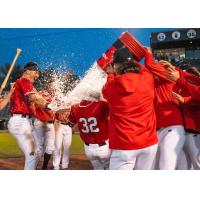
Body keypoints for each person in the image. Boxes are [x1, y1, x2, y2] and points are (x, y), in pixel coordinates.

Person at [102, 47, 169, 170]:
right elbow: (146, 67)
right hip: (149, 143)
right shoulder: (147, 78)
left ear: (116, 66)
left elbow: (106, 89)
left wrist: (110, 73)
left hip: (124, 146)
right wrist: (147, 53)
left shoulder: (112, 86)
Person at [8, 62, 49, 170]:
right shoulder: (24, 81)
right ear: (29, 71)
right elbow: (32, 98)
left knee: (38, 150)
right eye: (36, 72)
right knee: (32, 153)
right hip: (19, 121)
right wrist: (49, 105)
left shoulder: (27, 84)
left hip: (27, 122)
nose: (37, 75)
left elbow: (35, 100)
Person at [67, 93, 111, 170]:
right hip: (104, 147)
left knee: (97, 169)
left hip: (88, 149)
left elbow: (72, 125)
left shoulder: (75, 107)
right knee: (109, 168)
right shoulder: (101, 104)